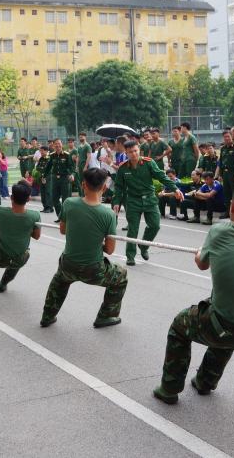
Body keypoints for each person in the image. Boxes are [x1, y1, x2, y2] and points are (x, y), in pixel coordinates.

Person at [152, 182, 234, 405]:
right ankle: (205, 382)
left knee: (180, 327)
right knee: (221, 321)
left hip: (224, 326)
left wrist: (200, 254)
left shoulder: (219, 230)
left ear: (231, 207)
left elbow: (202, 264)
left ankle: (169, 388)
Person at [40, 167, 128, 329]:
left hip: (69, 265)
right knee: (121, 275)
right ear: (104, 187)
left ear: (83, 185)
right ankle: (106, 316)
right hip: (93, 270)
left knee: (60, 280)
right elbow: (109, 250)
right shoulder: (108, 215)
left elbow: (63, 230)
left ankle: (47, 316)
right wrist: (94, 242)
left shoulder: (69, 203)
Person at [113, 140, 183, 266]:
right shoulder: (123, 168)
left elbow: (162, 177)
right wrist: (116, 202)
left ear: (139, 150)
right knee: (133, 229)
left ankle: (144, 246)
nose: (134, 154)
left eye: (135, 151)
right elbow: (118, 187)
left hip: (150, 199)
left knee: (155, 226)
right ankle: (130, 256)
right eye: (130, 152)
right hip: (133, 201)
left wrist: (175, 189)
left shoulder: (148, 163)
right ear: (126, 153)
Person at [43, 139, 75, 221]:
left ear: (62, 145)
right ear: (53, 146)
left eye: (59, 144)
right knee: (54, 199)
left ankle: (66, 218)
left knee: (65, 200)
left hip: (65, 179)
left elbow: (72, 167)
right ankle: (60, 216)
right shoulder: (52, 155)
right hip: (55, 179)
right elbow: (48, 166)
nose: (57, 145)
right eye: (56, 144)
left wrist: (72, 174)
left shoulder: (67, 155)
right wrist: (44, 176)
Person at [215, 130, 234, 218]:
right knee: (226, 193)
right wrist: (220, 175)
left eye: (228, 136)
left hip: (233, 172)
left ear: (231, 136)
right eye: (225, 137)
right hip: (225, 173)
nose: (226, 138)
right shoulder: (223, 148)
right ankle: (227, 212)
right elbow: (221, 162)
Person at [35, 145, 53, 213]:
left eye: (42, 151)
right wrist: (42, 169)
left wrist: (42, 169)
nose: (41, 152)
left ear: (46, 151)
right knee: (43, 192)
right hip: (41, 177)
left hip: (48, 177)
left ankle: (50, 207)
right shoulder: (41, 158)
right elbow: (37, 167)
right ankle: (45, 206)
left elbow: (48, 169)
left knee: (48, 192)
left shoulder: (49, 158)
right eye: (40, 151)